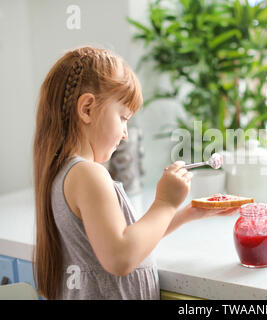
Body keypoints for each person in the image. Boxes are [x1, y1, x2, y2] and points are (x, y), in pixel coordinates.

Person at [32, 46, 236, 300]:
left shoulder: (64, 173)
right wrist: (164, 202)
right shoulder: (88, 174)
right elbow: (121, 256)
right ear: (86, 109)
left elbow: (126, 239)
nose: (126, 133)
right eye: (123, 117)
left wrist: (185, 213)